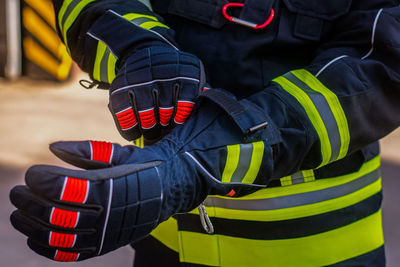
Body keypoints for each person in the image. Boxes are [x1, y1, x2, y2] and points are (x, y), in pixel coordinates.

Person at [9, 0, 400, 266]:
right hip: (164, 241)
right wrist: (137, 44)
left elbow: (383, 66)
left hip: (317, 251)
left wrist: (203, 160)